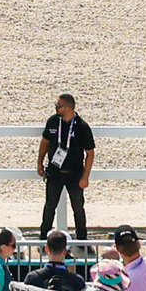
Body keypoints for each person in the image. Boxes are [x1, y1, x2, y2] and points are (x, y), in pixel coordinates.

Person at [36, 100, 97, 247]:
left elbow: (90, 153)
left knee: (78, 208)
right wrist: (39, 162)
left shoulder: (82, 126)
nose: (56, 108)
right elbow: (44, 142)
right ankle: (44, 239)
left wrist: (85, 177)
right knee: (50, 206)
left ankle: (82, 241)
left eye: (59, 105)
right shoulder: (52, 121)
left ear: (68, 108)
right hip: (54, 173)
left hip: (74, 174)